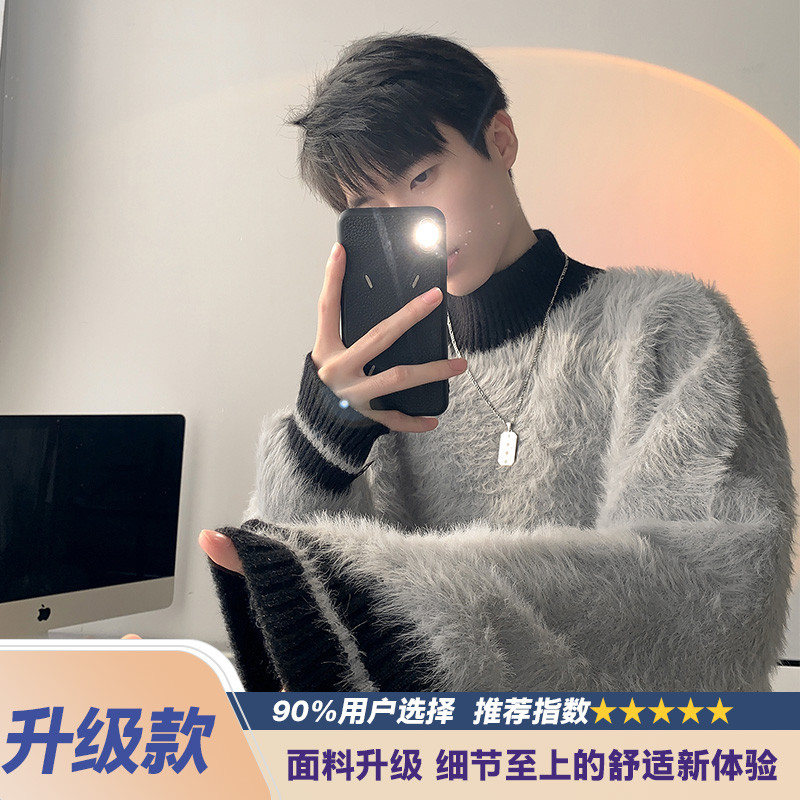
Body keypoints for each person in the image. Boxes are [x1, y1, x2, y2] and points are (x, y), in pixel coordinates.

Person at [200, 33, 795, 691]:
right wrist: (320, 448)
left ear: (501, 141)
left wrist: (395, 607)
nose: (410, 221)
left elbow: (710, 596)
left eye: (421, 177)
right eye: (369, 208)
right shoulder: (383, 380)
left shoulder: (669, 326)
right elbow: (310, 654)